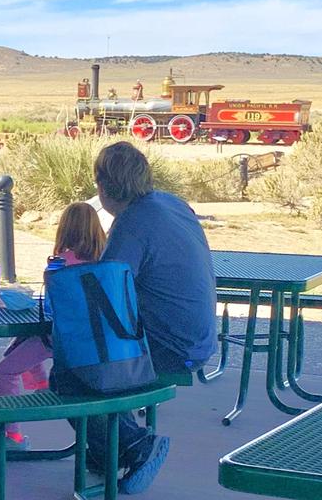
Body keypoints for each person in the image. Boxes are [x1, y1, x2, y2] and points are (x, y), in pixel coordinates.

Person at [54, 141, 217, 495]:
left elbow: (105, 298)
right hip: (198, 338)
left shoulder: (132, 224)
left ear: (103, 186)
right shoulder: (170, 203)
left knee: (69, 373)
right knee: (86, 363)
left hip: (170, 347)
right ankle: (106, 454)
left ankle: (135, 445)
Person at [0, 202, 105, 451]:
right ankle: (40, 386)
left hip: (59, 338)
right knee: (15, 350)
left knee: (4, 371)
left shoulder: (58, 264)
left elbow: (52, 310)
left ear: (64, 230)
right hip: (90, 339)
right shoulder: (103, 262)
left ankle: (13, 435)